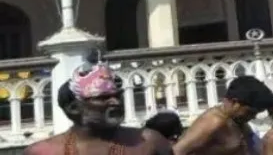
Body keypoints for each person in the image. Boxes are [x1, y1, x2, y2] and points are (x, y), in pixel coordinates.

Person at [25, 66, 172, 155]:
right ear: (74, 108)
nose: (115, 102)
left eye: (117, 96)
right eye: (103, 98)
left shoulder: (149, 141)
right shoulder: (43, 151)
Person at [176, 75, 273, 155]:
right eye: (250, 112)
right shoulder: (213, 122)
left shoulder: (237, 121)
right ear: (234, 102)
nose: (253, 117)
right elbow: (178, 151)